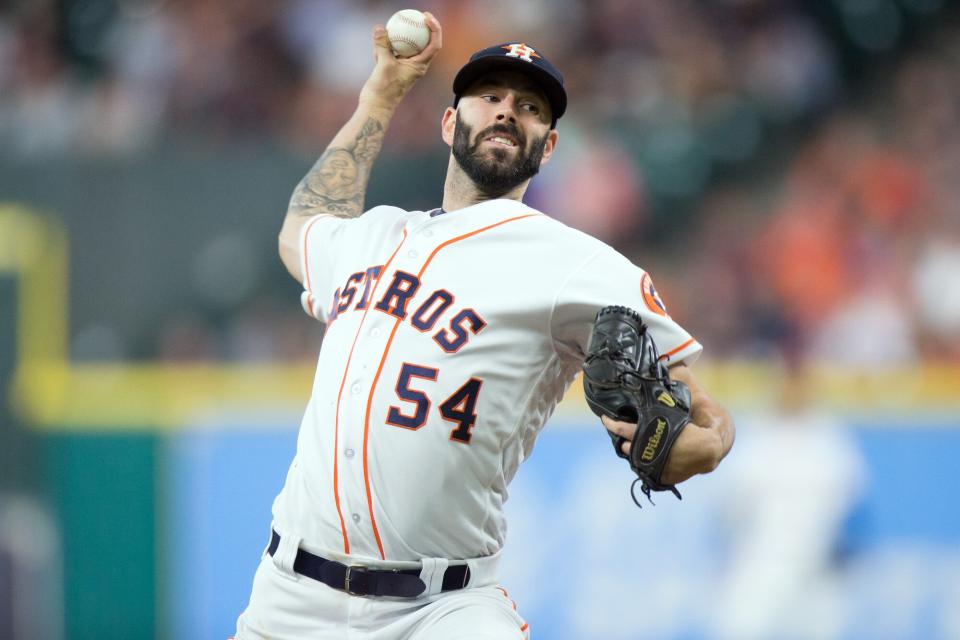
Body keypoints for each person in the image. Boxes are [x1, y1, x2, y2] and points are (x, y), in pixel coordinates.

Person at [235, 13, 735, 640]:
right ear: (451, 122)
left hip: (443, 608)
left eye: (529, 107)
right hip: (290, 595)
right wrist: (381, 94)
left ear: (548, 146)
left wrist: (710, 442)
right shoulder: (374, 235)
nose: (507, 112)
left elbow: (701, 405)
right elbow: (304, 224)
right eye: (490, 97)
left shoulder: (576, 263)